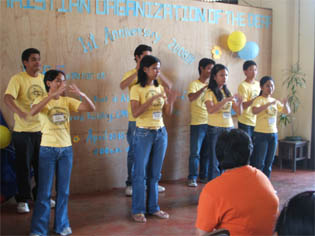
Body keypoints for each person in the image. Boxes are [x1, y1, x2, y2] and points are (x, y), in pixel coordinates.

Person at [29, 70, 95, 236]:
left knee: (63, 191)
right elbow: (33, 111)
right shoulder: (41, 100)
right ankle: (39, 230)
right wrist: (52, 96)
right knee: (44, 192)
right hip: (47, 150)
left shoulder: (67, 101)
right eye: (58, 81)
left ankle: (62, 225)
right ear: (49, 83)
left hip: (66, 150)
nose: (62, 84)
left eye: (63, 81)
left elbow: (90, 108)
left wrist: (82, 94)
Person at [196, 129, 279, 236]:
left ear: (219, 154)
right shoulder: (263, 178)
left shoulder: (213, 189)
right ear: (249, 151)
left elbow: (202, 234)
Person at [3, 48, 55, 213]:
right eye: (33, 59)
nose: (37, 62)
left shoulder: (43, 79)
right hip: (22, 133)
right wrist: (20, 112)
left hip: (42, 131)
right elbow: (7, 98)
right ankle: (23, 199)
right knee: (23, 167)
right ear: (25, 62)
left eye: (39, 59)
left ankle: (42, 196)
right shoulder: (17, 79)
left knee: (42, 167)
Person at [130, 55, 177, 223]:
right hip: (143, 133)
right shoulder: (136, 89)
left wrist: (170, 102)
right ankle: (137, 209)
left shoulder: (160, 88)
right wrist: (151, 100)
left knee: (155, 174)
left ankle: (154, 207)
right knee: (139, 174)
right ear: (145, 69)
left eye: (159, 68)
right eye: (154, 68)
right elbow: (135, 113)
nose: (157, 72)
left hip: (160, 133)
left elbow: (167, 113)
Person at [120, 44, 171, 196]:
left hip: (155, 122)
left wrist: (156, 71)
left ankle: (151, 182)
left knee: (153, 154)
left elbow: (168, 86)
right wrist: (139, 70)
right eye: (144, 57)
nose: (147, 59)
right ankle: (131, 183)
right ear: (137, 57)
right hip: (135, 120)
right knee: (134, 153)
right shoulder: (132, 74)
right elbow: (122, 85)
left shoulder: (155, 76)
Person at [204, 64, 243, 181]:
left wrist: (240, 102)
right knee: (215, 160)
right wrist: (224, 101)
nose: (224, 77)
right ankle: (213, 188)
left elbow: (239, 112)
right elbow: (211, 110)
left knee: (227, 159)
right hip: (215, 129)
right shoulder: (209, 92)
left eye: (226, 75)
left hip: (229, 128)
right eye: (221, 75)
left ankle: (224, 185)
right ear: (214, 77)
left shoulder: (227, 91)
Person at [250, 76, 290, 178]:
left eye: (272, 86)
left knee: (269, 162)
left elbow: (286, 112)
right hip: (261, 134)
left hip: (273, 133)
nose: (270, 88)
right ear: (262, 87)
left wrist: (285, 104)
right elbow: (254, 111)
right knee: (260, 162)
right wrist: (268, 104)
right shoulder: (259, 100)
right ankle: (258, 184)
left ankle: (266, 184)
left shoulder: (274, 101)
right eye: (267, 86)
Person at [187, 58, 215, 187]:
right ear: (201, 69)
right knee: (195, 152)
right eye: (209, 68)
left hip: (211, 122)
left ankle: (203, 176)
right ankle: (192, 177)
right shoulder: (194, 84)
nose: (211, 71)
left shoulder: (213, 87)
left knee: (207, 153)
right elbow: (191, 98)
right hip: (197, 123)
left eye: (212, 69)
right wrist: (203, 88)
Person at [237, 60, 260, 138]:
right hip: (245, 121)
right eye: (251, 69)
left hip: (257, 121)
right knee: (246, 147)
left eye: (255, 69)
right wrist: (256, 98)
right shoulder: (243, 86)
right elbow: (243, 105)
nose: (254, 72)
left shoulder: (258, 84)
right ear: (245, 72)